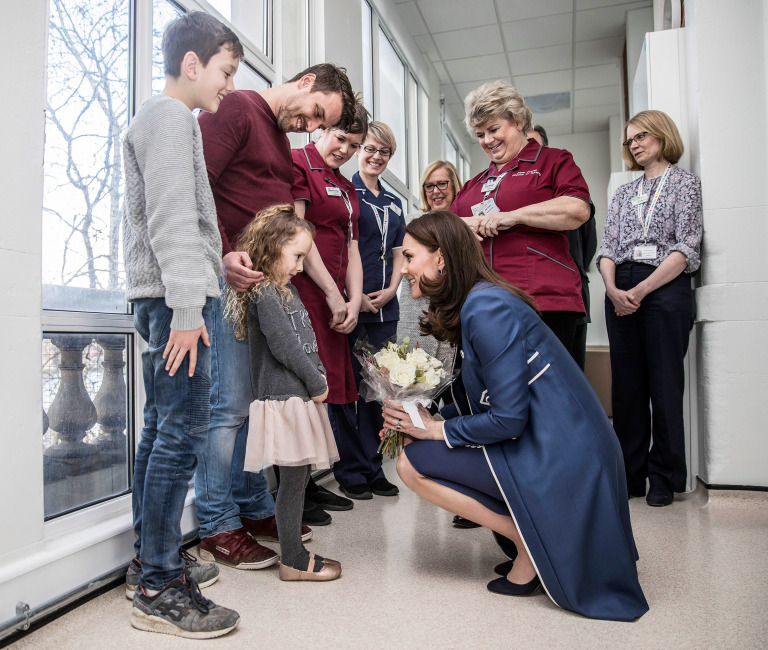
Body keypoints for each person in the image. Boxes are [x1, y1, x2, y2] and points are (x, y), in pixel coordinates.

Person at [382, 211, 649, 622]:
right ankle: (531, 536)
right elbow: (486, 399)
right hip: (556, 442)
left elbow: (508, 420)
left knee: (411, 463)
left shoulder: (485, 307)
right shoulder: (480, 300)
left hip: (563, 455)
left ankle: (529, 541)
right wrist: (419, 418)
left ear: (442, 259)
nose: (403, 268)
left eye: (410, 256)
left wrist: (436, 431)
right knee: (420, 444)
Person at [195, 63, 357, 563]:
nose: (310, 127)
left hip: (257, 287)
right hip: (226, 282)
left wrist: (326, 292)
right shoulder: (238, 108)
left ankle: (248, 504)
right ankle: (216, 522)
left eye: (319, 124)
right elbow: (196, 184)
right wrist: (224, 254)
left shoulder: (281, 144)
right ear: (307, 82)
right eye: (314, 114)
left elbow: (285, 228)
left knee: (249, 403)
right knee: (226, 407)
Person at [122, 12, 242, 638]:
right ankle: (160, 583)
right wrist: (192, 308)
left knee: (160, 429)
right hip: (178, 303)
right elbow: (172, 216)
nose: (226, 86)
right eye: (224, 72)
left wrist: (216, 262)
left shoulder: (157, 119)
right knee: (182, 434)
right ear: (192, 64)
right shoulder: (171, 118)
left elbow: (174, 222)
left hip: (164, 294)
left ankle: (151, 559)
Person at [226, 205, 342, 581]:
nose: (299, 265)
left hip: (299, 397)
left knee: (298, 478)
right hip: (285, 400)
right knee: (293, 482)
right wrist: (317, 382)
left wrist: (317, 375)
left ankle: (295, 551)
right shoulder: (264, 294)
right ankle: (292, 559)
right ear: (273, 247)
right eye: (297, 256)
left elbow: (304, 342)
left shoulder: (285, 289)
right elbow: (285, 347)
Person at [597, 110, 702, 507]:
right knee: (627, 389)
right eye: (630, 140)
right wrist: (611, 288)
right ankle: (630, 473)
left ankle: (664, 476)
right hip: (620, 287)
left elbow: (686, 247)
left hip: (663, 287)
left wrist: (642, 288)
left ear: (662, 136)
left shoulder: (684, 185)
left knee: (664, 384)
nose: (635, 145)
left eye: (642, 136)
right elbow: (608, 247)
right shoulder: (624, 192)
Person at [453, 81, 592, 358]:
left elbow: (577, 209)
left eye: (494, 129)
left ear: (517, 121)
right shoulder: (473, 185)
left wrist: (513, 217)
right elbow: (439, 232)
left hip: (542, 301)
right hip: (484, 303)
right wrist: (460, 226)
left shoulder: (554, 162)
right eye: (480, 134)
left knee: (546, 391)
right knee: (497, 393)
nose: (487, 141)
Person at [291, 103, 370, 502]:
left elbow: (353, 247)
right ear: (322, 130)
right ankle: (296, 489)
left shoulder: (349, 186)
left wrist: (354, 300)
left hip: (338, 300)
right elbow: (299, 237)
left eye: (353, 145)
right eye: (340, 139)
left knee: (329, 391)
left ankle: (312, 481)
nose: (344, 150)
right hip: (307, 294)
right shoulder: (298, 163)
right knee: (304, 389)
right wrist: (331, 293)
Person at [343, 121, 407, 498]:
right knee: (350, 391)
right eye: (370, 148)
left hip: (386, 309)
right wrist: (358, 297)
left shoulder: (394, 201)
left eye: (384, 152)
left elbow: (401, 252)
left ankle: (373, 466)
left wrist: (392, 289)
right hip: (353, 306)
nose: (376, 157)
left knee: (378, 392)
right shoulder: (346, 191)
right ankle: (350, 470)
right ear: (358, 150)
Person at [529, 125, 598, 370]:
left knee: (570, 372)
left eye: (532, 145)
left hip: (570, 300)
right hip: (530, 299)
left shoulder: (571, 197)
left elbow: (588, 247)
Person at [396, 160, 462, 359]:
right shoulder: (413, 222)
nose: (436, 191)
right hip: (416, 314)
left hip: (453, 316)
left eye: (442, 184)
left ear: (455, 186)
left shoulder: (465, 224)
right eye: (429, 186)